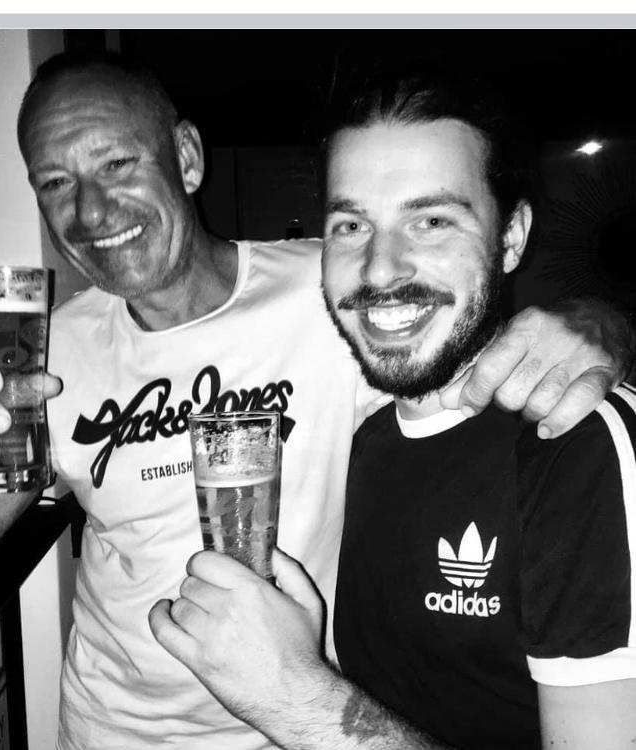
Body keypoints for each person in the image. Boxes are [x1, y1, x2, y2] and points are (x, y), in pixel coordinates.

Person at [0, 52, 631, 750]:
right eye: (54, 182)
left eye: (117, 164)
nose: (91, 210)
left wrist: (602, 324)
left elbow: (451, 327)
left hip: (300, 727)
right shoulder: (46, 353)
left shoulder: (337, 291)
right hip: (110, 730)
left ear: (186, 156)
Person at [149, 72, 636, 749]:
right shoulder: (369, 437)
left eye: (431, 221)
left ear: (511, 236)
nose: (380, 269)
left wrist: (293, 694)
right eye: (351, 225)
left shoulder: (577, 445)